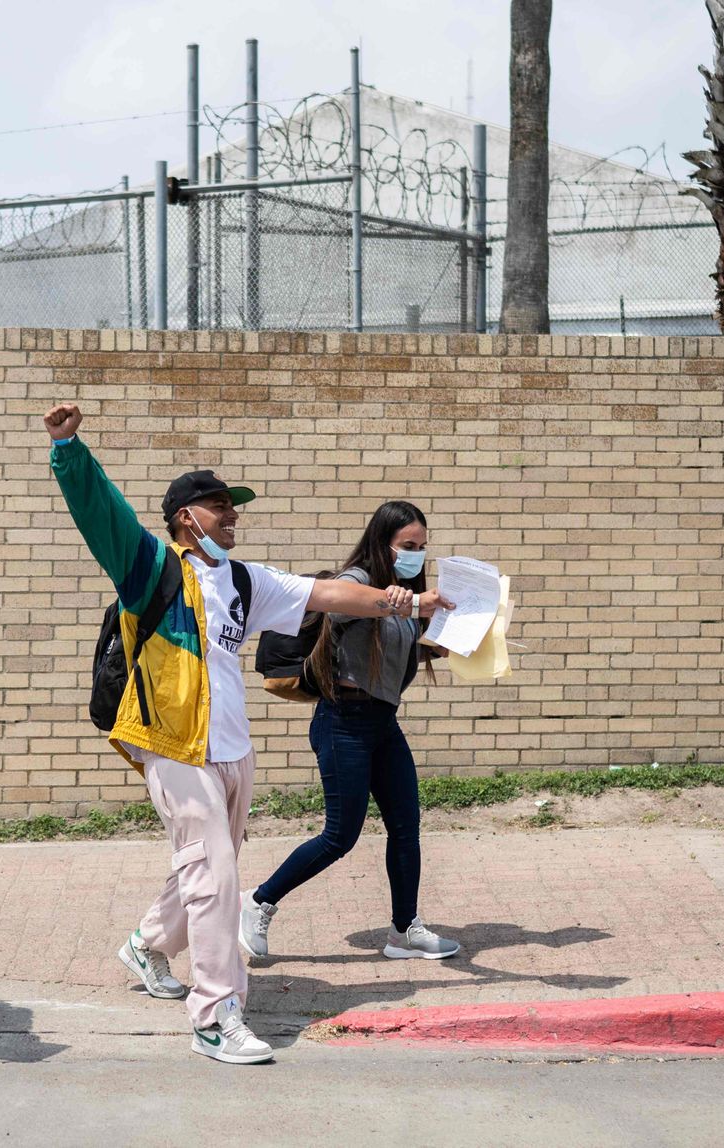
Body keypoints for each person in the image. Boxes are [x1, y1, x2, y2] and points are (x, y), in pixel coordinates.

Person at [44, 403, 443, 1065]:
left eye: (234, 507)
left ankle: (146, 945)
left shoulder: (241, 579)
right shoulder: (151, 569)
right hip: (175, 746)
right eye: (220, 506)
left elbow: (325, 595)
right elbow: (102, 512)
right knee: (216, 878)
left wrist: (403, 601)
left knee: (206, 868)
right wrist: (69, 448)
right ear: (186, 518)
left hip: (231, 750)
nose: (233, 515)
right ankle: (216, 1015)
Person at [239, 500, 460, 965]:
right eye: (407, 545)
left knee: (406, 829)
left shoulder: (402, 592)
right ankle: (257, 902)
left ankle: (404, 931)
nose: (416, 554)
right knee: (340, 835)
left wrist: (432, 650)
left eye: (422, 546)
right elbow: (340, 611)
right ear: (383, 542)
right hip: (343, 722)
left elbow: (379, 656)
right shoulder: (358, 582)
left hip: (382, 723)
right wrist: (408, 603)